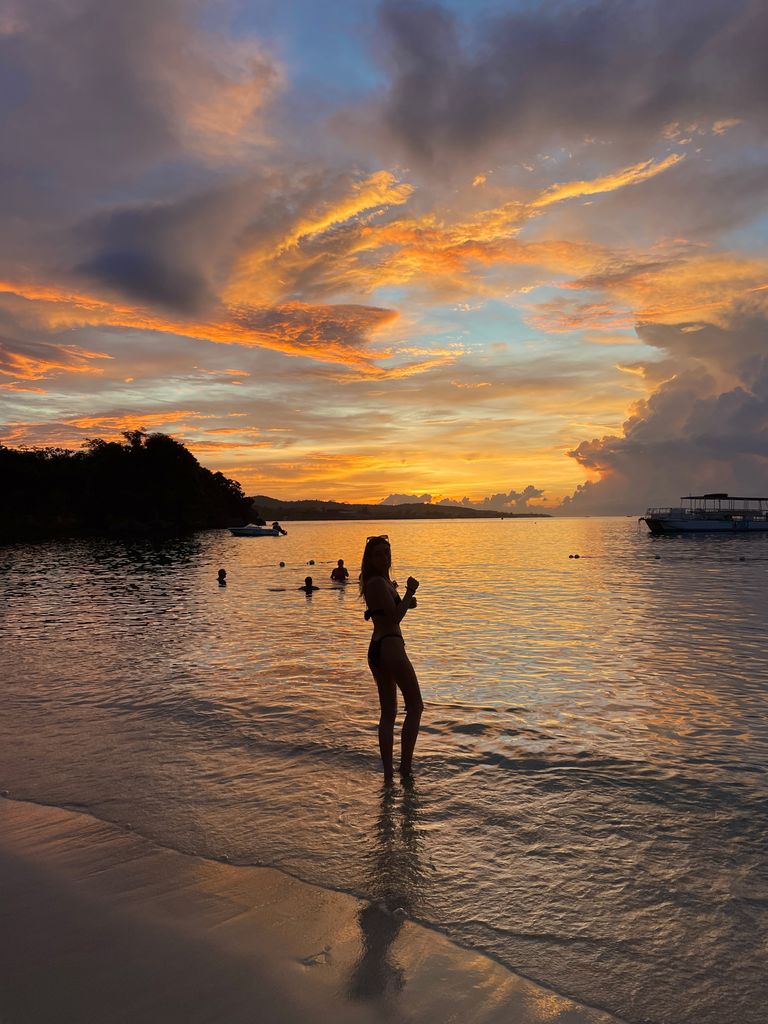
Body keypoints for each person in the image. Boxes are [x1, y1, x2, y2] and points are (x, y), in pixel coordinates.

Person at [360, 535, 423, 784]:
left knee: (389, 713)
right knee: (415, 706)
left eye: (387, 552)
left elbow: (391, 610)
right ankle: (404, 770)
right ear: (370, 559)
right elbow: (394, 618)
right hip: (390, 647)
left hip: (380, 647)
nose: (385, 557)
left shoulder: (381, 582)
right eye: (379, 553)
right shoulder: (376, 582)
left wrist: (407, 600)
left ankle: (389, 777)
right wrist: (410, 591)